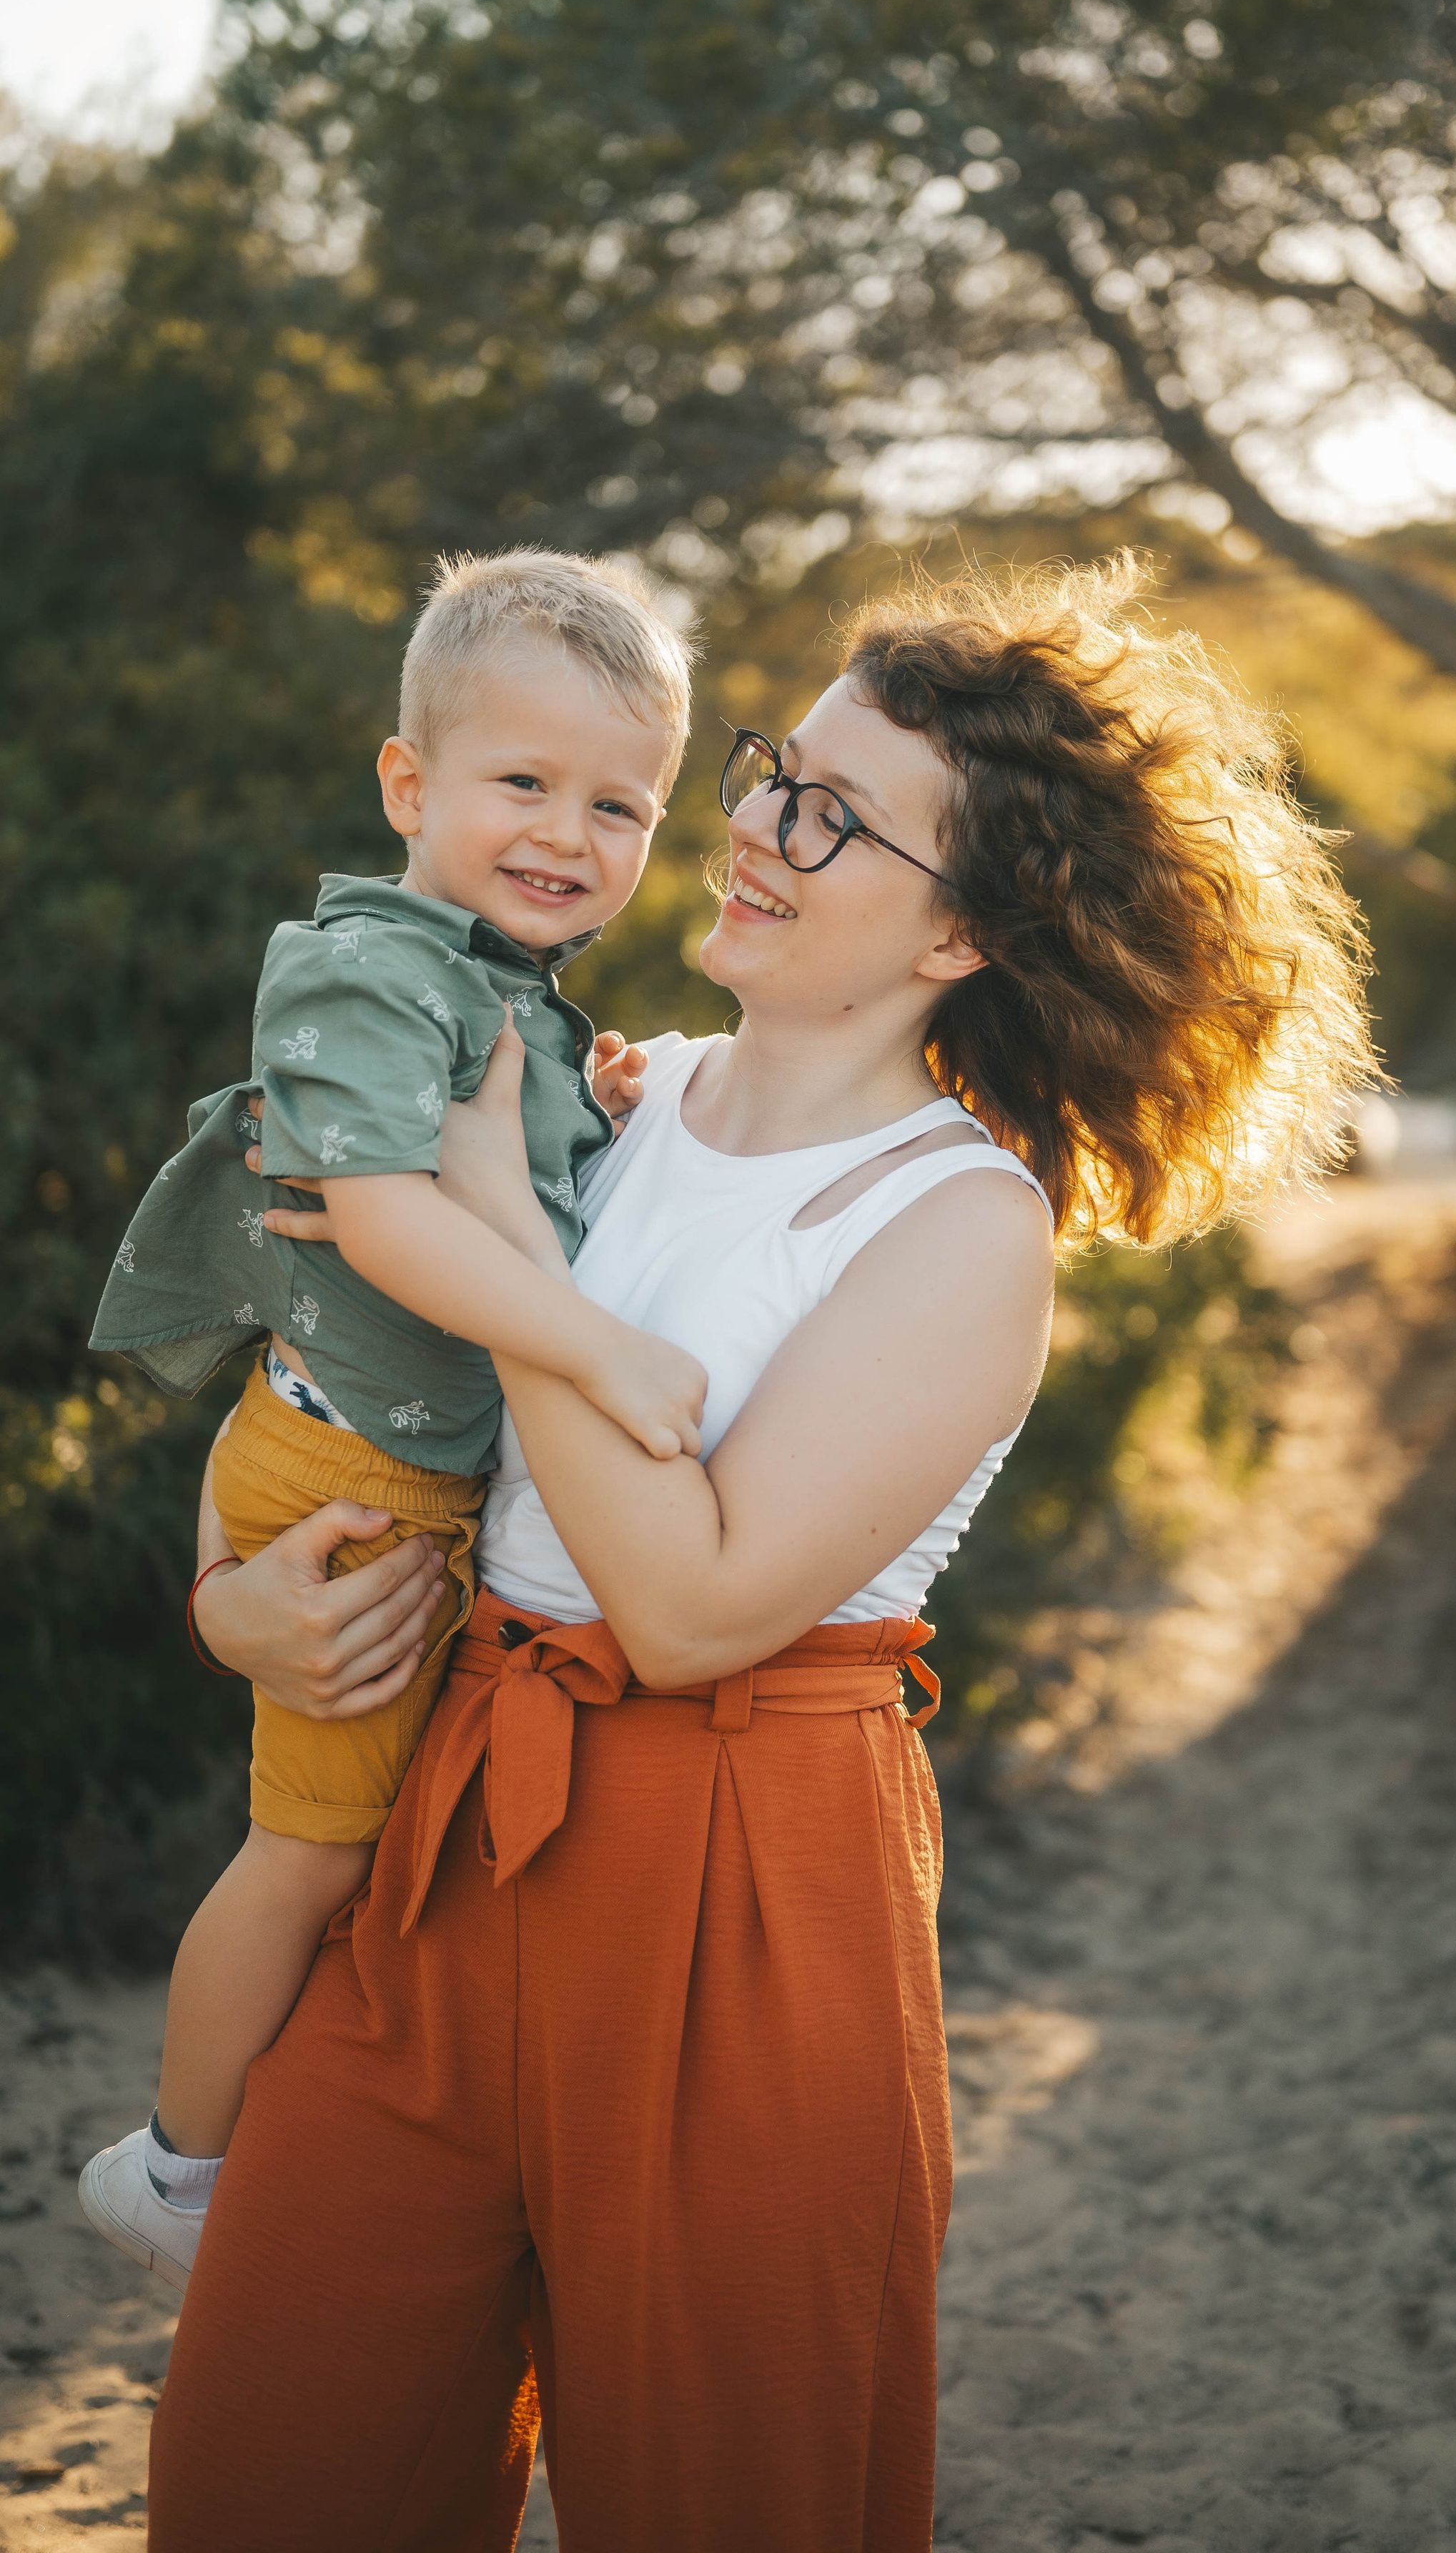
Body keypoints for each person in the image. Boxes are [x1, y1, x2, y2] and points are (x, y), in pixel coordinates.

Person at [145, 558, 1375, 2553]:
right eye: (771, 771)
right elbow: (330, 1394)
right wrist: (239, 1607)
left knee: (734, 2496)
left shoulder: (960, 1225)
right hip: (449, 1829)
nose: (753, 830)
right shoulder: (590, 1090)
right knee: (272, 2470)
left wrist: (516, 1260)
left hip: (744, 1888)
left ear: (963, 928)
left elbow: (704, 1607)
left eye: (832, 814)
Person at [80, 550, 705, 2280]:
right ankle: (177, 2179)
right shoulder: (362, 964)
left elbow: (502, 1158)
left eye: (620, 803)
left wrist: (604, 1103)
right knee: (303, 1856)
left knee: (364, 1870)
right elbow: (383, 1210)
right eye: (522, 783)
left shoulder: (508, 988)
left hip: (387, 1456)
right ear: (408, 785)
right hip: (355, 1477)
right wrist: (592, 1346)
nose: (569, 835)